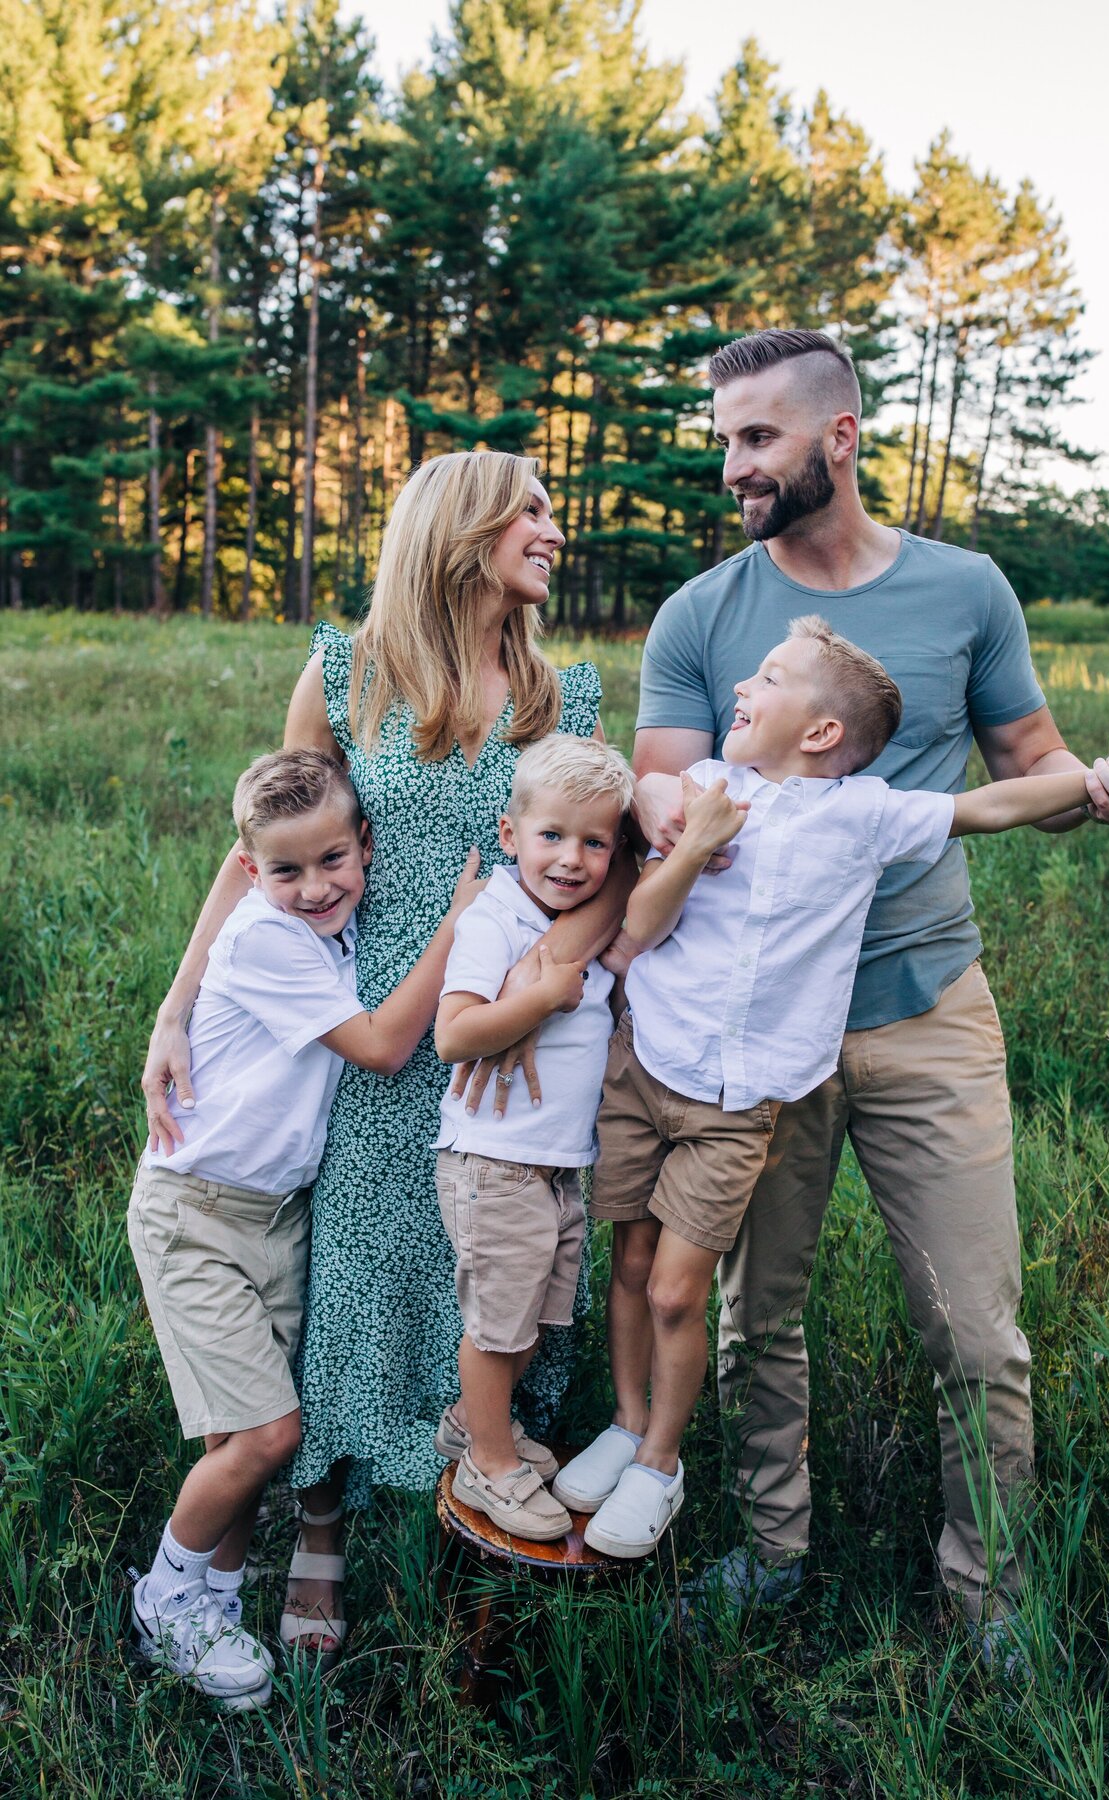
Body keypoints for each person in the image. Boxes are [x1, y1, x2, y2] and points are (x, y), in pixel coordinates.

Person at [629, 329, 1109, 1632]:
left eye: (757, 437)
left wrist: (1105, 781)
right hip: (756, 1040)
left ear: (840, 436)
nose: (733, 466)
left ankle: (990, 1601)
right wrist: (669, 813)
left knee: (976, 1333)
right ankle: (771, 1553)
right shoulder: (702, 614)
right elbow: (658, 783)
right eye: (725, 439)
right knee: (758, 1317)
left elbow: (1031, 767)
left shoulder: (966, 591)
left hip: (928, 1008)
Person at [140, 452, 634, 1658]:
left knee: (499, 1266)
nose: (553, 531)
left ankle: (482, 1503)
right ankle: (321, 1525)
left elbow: (600, 865)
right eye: (532, 511)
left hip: (509, 1044)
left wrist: (538, 989)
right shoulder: (347, 672)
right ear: (463, 531)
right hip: (365, 1035)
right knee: (357, 1279)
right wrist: (177, 1002)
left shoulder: (562, 695)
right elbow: (261, 851)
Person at [558, 618, 1109, 1561]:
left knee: (680, 1286)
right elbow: (640, 923)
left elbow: (991, 805)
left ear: (820, 732)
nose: (741, 690)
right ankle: (645, 1443)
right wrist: (689, 835)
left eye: (767, 679)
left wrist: (1103, 775)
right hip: (652, 1061)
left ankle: (664, 1464)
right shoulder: (707, 788)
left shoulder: (866, 813)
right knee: (637, 1266)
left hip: (748, 1095)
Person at [129, 749, 482, 1706]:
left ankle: (216, 1599)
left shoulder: (325, 923)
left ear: (365, 844)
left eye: (334, 860)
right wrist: (457, 925)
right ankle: (164, 1599)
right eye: (287, 870)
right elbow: (382, 1046)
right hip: (198, 1215)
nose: (318, 887)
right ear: (251, 872)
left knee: (237, 1438)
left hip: (273, 1216)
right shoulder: (266, 940)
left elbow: (291, 872)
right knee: (268, 1434)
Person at [432, 734, 634, 1539]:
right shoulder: (497, 919)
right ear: (510, 835)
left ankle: (471, 1426)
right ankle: (490, 1463)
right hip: (496, 1164)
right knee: (497, 1329)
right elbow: (454, 1034)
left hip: (554, 1167)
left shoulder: (575, 924)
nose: (572, 859)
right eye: (552, 835)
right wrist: (543, 998)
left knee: (529, 1323)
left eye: (595, 842)